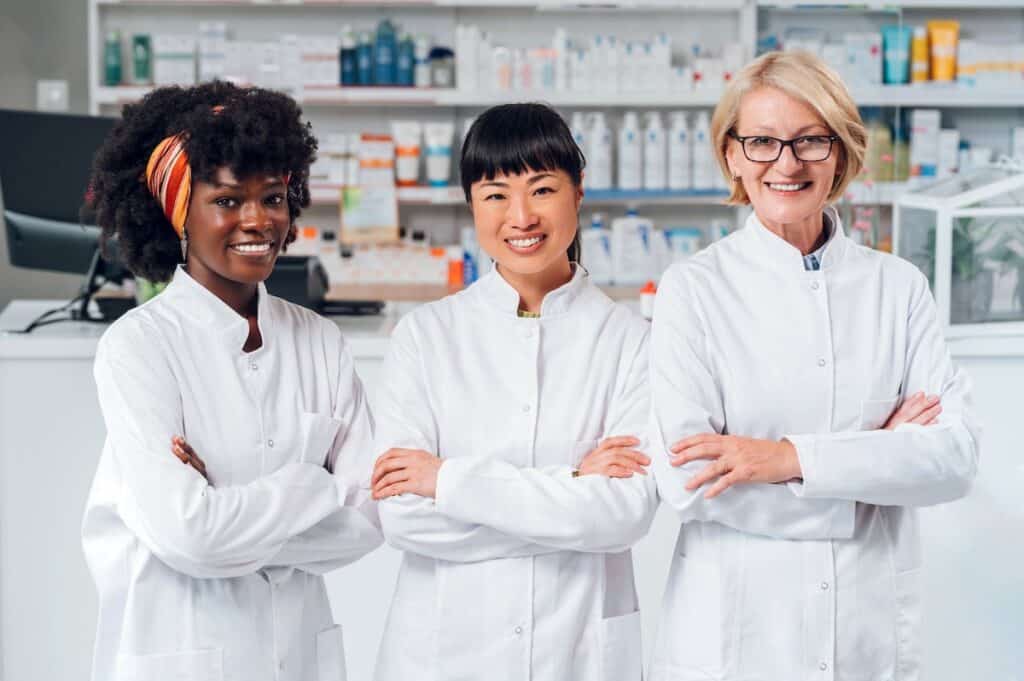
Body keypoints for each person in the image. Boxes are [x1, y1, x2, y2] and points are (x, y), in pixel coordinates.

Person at [648, 50, 980, 681]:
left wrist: (789, 460)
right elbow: (687, 477)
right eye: (762, 142)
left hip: (865, 629)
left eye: (810, 141)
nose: (787, 163)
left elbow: (953, 459)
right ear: (732, 156)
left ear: (842, 153)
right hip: (736, 637)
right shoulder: (693, 288)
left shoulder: (898, 286)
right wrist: (874, 469)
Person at [81, 81, 382, 681]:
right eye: (226, 201)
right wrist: (312, 484)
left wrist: (227, 512)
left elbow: (370, 522)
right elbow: (189, 537)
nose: (257, 220)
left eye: (272, 197)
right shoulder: (139, 347)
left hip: (298, 656)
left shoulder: (320, 341)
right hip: (184, 651)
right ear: (179, 214)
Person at [369, 103, 657, 681]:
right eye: (495, 194)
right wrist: (573, 487)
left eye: (542, 189)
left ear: (578, 193)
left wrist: (447, 480)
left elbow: (622, 515)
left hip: (576, 650)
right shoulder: (425, 338)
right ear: (472, 205)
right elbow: (403, 517)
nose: (520, 216)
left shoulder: (634, 341)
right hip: (446, 652)